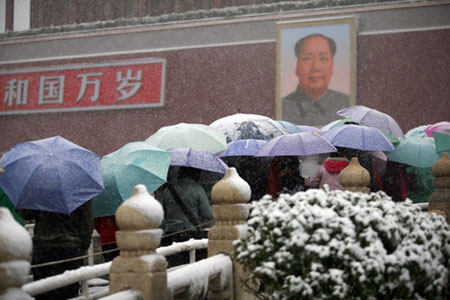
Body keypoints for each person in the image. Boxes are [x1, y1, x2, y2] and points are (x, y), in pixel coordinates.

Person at [22, 200, 94, 300]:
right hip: (69, 249)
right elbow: (87, 223)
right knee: (68, 293)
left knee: (43, 292)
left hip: (42, 248)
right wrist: (81, 248)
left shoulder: (38, 187)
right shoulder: (80, 190)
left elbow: (26, 214)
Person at [282, 33, 350, 126]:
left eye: (323, 58)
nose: (316, 67)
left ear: (332, 66)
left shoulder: (346, 105)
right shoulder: (283, 107)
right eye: (308, 59)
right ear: (297, 67)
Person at [159, 167, 213, 267]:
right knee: (191, 267)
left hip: (170, 235)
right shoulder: (197, 189)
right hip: (191, 235)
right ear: (196, 174)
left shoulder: (168, 190)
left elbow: (162, 214)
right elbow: (208, 214)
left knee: (173, 268)